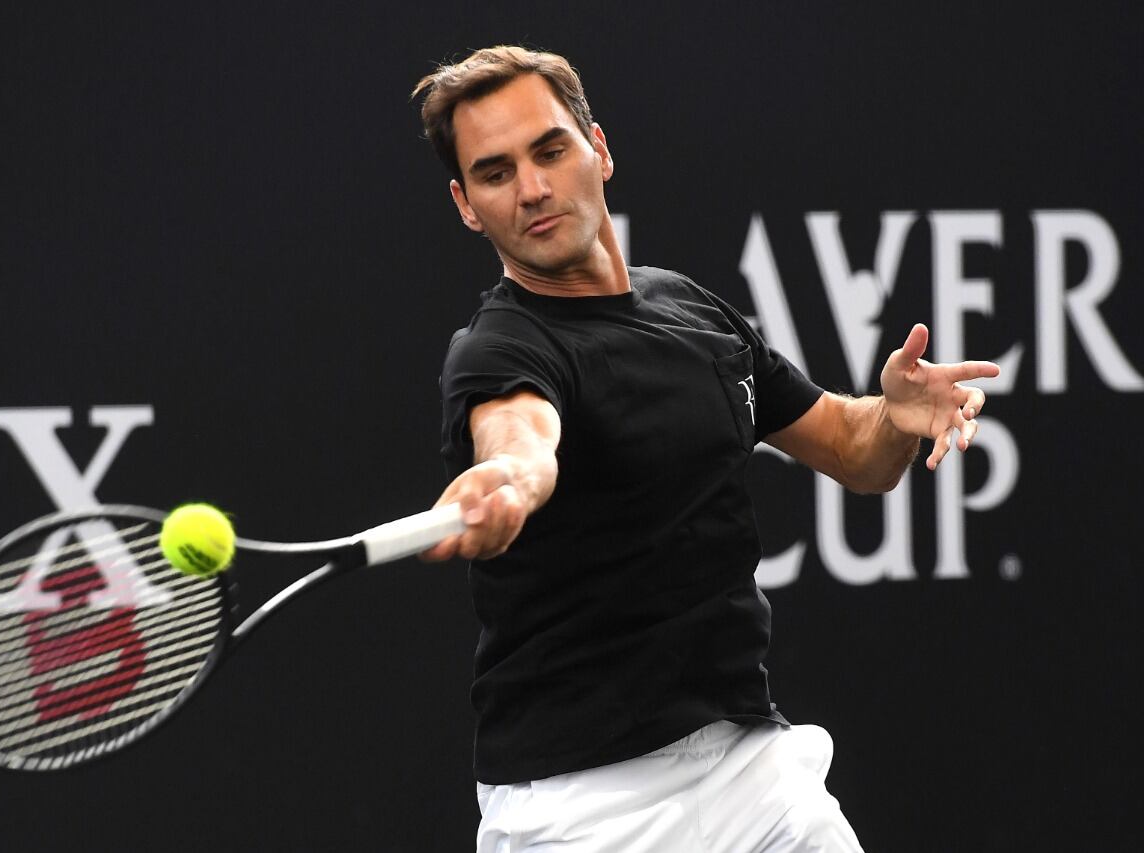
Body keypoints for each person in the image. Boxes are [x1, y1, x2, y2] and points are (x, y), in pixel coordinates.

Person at [412, 46, 999, 853]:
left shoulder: (688, 309)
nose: (534, 189)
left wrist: (896, 417)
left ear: (599, 150)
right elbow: (519, 440)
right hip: (579, 807)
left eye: (550, 151)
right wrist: (509, 481)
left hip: (749, 770)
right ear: (467, 204)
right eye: (496, 172)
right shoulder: (498, 352)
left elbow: (850, 449)